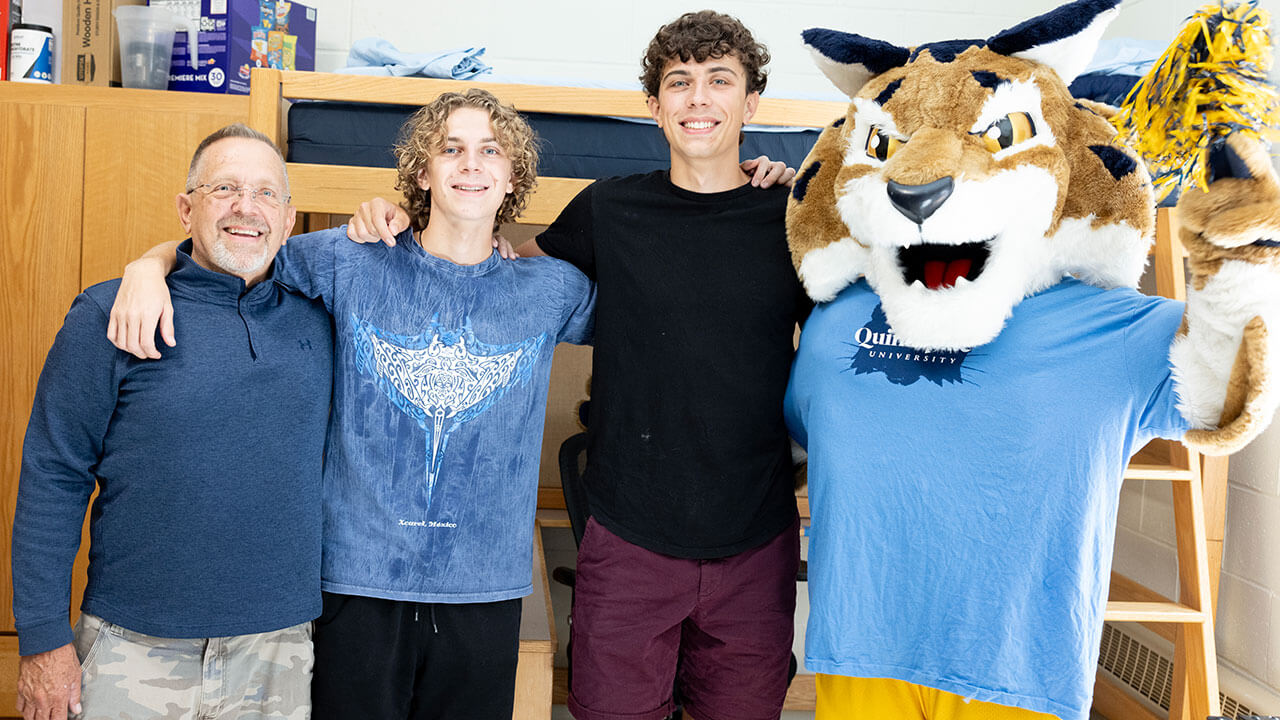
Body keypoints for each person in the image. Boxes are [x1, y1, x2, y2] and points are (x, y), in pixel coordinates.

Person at [348, 12, 809, 720]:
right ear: (653, 105)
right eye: (678, 83)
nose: (698, 99)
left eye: (720, 81)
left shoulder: (792, 218)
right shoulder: (610, 208)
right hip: (629, 537)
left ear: (750, 103)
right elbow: (496, 268)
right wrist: (393, 219)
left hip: (755, 538)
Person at [106, 89, 596, 720]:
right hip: (356, 583)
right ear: (423, 171)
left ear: (511, 176)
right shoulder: (351, 258)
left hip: (484, 588)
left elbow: (653, 313)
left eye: (490, 151)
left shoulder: (552, 288)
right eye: (451, 149)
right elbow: (235, 247)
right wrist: (145, 266)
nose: (470, 164)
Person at [11, 123, 332, 720]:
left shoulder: (323, 320)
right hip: (131, 648)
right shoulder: (110, 314)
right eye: (224, 189)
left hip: (277, 651)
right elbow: (53, 476)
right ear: (186, 209)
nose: (246, 207)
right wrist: (43, 641)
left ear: (289, 221)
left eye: (266, 193)